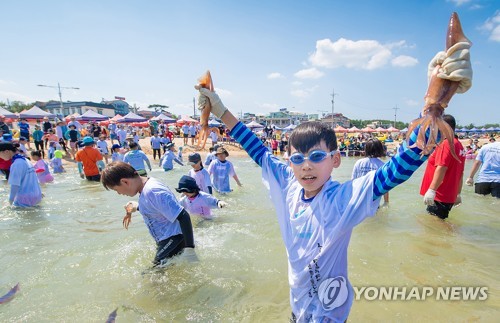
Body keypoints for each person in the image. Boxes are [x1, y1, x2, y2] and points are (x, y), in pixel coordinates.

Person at [195, 47, 471, 319]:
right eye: (297, 159)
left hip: (330, 314)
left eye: (316, 157)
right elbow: (255, 147)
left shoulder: (343, 199)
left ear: (336, 160)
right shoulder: (288, 184)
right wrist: (219, 108)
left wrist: (434, 105)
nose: (306, 165)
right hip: (298, 307)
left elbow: (396, 170)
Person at [101, 162, 198, 267]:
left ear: (124, 182)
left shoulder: (153, 191)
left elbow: (183, 216)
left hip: (173, 239)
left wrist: (190, 249)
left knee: (152, 276)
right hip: (169, 240)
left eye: (116, 190)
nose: (119, 193)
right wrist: (137, 207)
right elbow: (157, 209)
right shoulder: (146, 187)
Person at [420, 115, 465, 219]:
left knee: (435, 227)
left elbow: (442, 167)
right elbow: (460, 173)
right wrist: (458, 193)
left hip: (440, 195)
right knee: (438, 225)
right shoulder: (459, 145)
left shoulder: (446, 143)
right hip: (448, 195)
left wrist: (431, 190)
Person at [0, 142, 42, 207]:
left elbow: (15, 185)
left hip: (24, 198)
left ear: (6, 151)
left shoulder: (16, 164)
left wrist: (10, 201)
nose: (1, 157)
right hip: (36, 195)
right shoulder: (25, 160)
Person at [351, 138, 389, 207]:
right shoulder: (383, 165)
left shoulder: (359, 163)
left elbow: (352, 183)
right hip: (374, 203)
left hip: (358, 201)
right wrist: (386, 203)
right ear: (380, 149)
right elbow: (385, 187)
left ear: (366, 149)